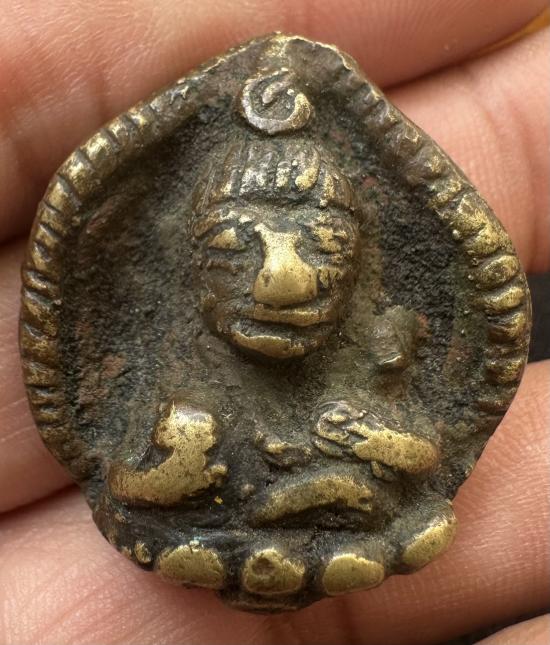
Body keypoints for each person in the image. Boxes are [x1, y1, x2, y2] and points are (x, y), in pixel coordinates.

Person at [0, 1, 548, 643]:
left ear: (360, 265)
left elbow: (421, 458)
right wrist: (171, 477)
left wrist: (378, 445)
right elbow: (129, 485)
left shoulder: (364, 394)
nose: (281, 282)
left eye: (324, 247)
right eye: (234, 251)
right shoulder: (178, 407)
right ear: (186, 265)